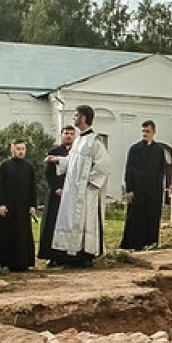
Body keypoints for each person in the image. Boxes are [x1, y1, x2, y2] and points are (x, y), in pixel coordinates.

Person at [48, 105, 110, 267]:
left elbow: (103, 166)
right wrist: (57, 160)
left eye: (76, 116)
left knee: (85, 222)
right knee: (70, 220)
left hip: (86, 192)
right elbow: (73, 162)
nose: (74, 118)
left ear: (83, 118)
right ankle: (71, 254)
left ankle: (85, 255)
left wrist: (88, 181)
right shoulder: (79, 140)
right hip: (73, 190)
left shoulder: (95, 142)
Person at [119, 120, 172, 250]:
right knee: (135, 217)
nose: (145, 134)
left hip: (154, 190)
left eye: (147, 131)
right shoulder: (134, 149)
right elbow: (129, 169)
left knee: (152, 217)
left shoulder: (159, 150)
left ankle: (151, 243)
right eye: (143, 131)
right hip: (138, 189)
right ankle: (132, 244)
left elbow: (164, 169)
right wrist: (129, 189)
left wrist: (169, 185)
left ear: (153, 132)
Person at [0, 139, 37, 272]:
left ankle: (22, 263)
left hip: (23, 207)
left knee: (22, 235)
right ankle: (5, 263)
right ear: (12, 149)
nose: (21, 151)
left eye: (23, 149)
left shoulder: (29, 167)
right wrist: (0, 204)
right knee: (6, 234)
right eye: (18, 149)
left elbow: (32, 188)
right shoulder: (4, 166)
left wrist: (32, 205)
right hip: (8, 206)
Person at [39, 125, 76, 266]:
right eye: (66, 133)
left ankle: (67, 255)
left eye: (72, 134)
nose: (69, 136)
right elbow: (48, 173)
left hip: (71, 194)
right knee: (52, 224)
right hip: (56, 193)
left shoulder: (77, 152)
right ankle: (51, 256)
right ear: (62, 135)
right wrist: (56, 188)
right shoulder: (54, 152)